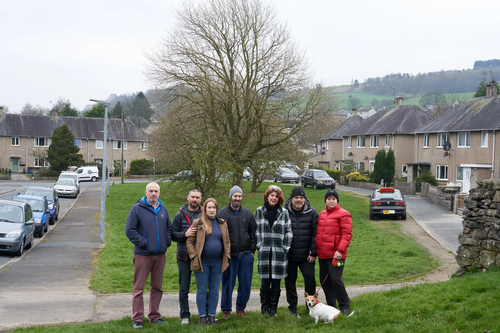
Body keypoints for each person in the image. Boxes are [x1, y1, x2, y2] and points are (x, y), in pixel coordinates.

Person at [125, 182, 172, 329]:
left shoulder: (163, 209)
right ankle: (137, 318)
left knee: (157, 287)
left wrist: (166, 241)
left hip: (160, 255)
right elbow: (130, 230)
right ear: (146, 192)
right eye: (151, 191)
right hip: (143, 255)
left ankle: (155, 316)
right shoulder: (137, 208)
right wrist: (144, 243)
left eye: (156, 191)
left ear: (159, 193)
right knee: (139, 288)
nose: (153, 194)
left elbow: (169, 228)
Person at [186, 198, 231, 326]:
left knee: (214, 290)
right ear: (204, 209)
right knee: (201, 290)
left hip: (218, 263)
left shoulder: (222, 223)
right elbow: (189, 241)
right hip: (202, 263)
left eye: (214, 208)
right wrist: (194, 256)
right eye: (209, 207)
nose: (211, 210)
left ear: (216, 209)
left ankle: (211, 316)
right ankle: (202, 318)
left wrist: (227, 256)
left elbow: (227, 241)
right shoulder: (198, 223)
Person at [217, 185, 257, 319]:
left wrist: (252, 251)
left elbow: (253, 233)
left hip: (245, 254)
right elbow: (218, 234)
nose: (237, 198)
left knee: (245, 284)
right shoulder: (222, 214)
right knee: (228, 283)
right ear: (231, 197)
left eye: (240, 196)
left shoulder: (247, 213)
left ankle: (241, 308)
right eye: (235, 196)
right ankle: (226, 309)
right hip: (229, 256)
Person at [255, 185, 293, 317]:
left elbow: (288, 231)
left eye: (276, 196)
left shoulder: (284, 212)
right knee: (265, 281)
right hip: (265, 252)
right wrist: (259, 245)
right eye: (272, 195)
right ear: (267, 196)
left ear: (279, 199)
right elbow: (257, 230)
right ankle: (264, 309)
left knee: (276, 282)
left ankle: (273, 310)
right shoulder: (260, 211)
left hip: (279, 253)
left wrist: (285, 248)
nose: (274, 198)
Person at [316, 189, 353, 315]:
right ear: (325, 201)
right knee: (324, 281)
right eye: (328, 199)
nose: (331, 201)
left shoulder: (344, 214)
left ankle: (344, 305)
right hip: (323, 254)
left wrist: (340, 251)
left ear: (337, 201)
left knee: (336, 280)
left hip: (337, 256)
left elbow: (347, 234)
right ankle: (331, 305)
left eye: (333, 199)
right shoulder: (321, 214)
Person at [284, 186, 318, 317]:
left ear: (305, 199)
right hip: (289, 256)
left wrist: (313, 252)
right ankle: (292, 308)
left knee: (310, 280)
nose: (299, 200)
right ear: (291, 199)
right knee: (290, 283)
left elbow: (316, 234)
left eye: (301, 198)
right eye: (296, 198)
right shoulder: (284, 212)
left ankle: (311, 307)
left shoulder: (312, 212)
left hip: (306, 256)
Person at [171, 189, 202, 325]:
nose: (194, 199)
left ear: (200, 199)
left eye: (197, 197)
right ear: (188, 198)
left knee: (203, 287)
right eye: (192, 197)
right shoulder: (179, 215)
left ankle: (205, 314)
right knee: (184, 288)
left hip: (201, 256)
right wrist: (185, 234)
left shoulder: (204, 214)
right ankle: (185, 315)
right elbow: (173, 235)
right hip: (184, 256)